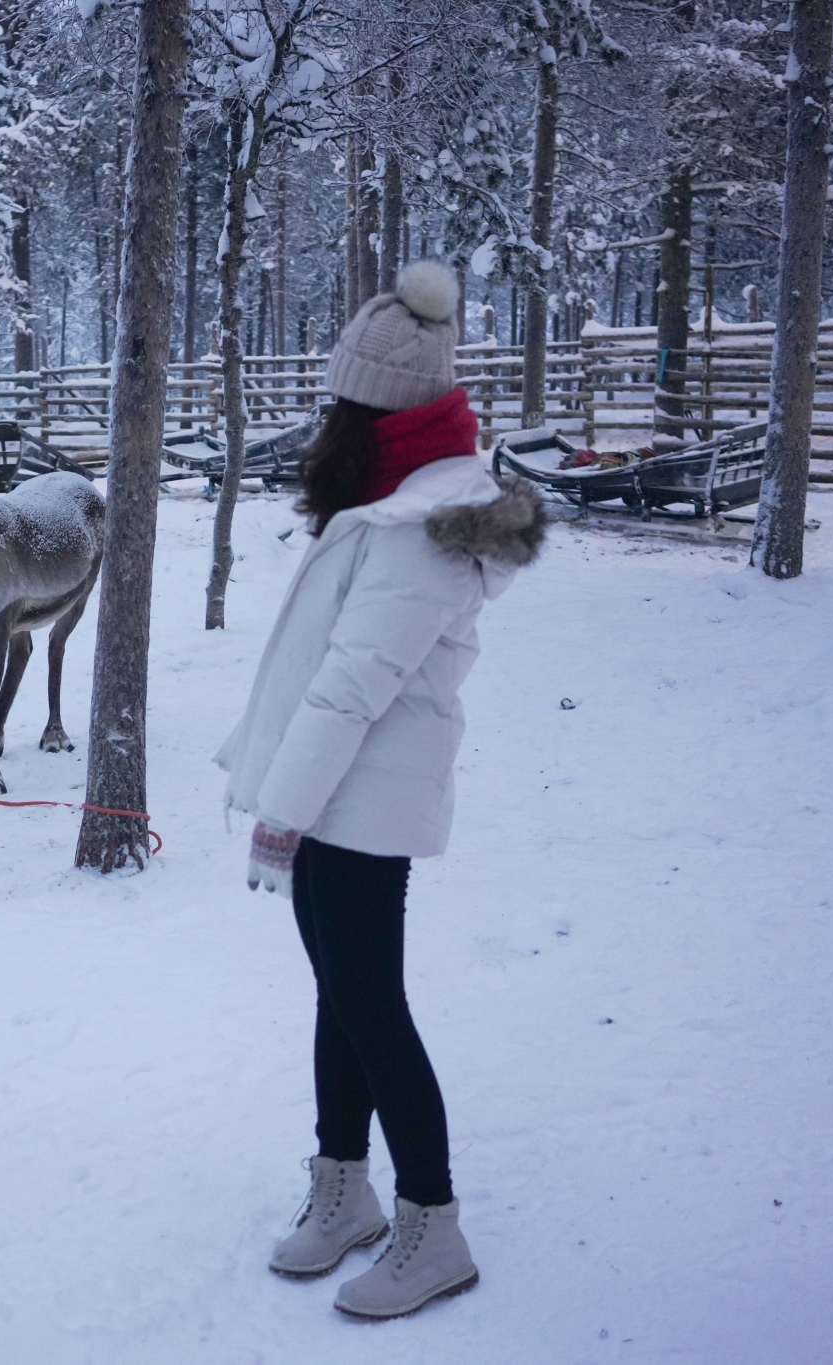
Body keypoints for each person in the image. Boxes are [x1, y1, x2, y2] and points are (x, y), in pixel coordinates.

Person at [214, 259, 546, 1321]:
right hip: (339, 795)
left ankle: (432, 1225)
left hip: (361, 797)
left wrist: (284, 812)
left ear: (373, 408)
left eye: (338, 402)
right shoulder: (395, 500)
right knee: (341, 997)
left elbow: (350, 692)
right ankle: (342, 1190)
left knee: (371, 1008)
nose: (325, 423)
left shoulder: (419, 529)